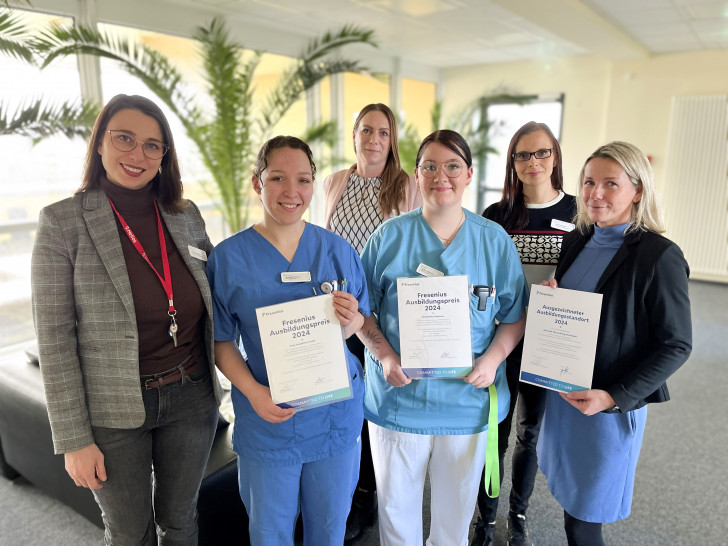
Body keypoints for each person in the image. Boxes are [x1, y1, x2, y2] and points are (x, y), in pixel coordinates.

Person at [31, 94, 221, 545]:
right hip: (113, 412)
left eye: (153, 145)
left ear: (164, 156)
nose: (138, 154)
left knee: (180, 522)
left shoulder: (184, 215)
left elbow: (222, 294)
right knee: (129, 534)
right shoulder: (63, 223)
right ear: (100, 143)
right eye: (125, 139)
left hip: (192, 398)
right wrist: (73, 439)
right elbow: (54, 340)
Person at [358, 129, 528, 545]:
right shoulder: (388, 238)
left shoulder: (493, 241)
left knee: (454, 517)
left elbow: (513, 314)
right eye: (430, 166)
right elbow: (360, 312)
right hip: (401, 398)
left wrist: (492, 360)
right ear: (416, 176)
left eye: (453, 166)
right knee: (396, 513)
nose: (441, 176)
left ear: (469, 174)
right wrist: (384, 355)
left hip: (467, 401)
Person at [207, 136, 370, 546]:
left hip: (334, 416)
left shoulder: (337, 251)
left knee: (330, 529)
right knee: (269, 532)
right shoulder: (227, 259)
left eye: (302, 179)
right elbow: (221, 340)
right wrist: (253, 393)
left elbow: (358, 324)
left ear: (314, 185)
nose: (291, 191)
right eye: (277, 178)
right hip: (267, 416)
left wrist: (351, 322)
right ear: (257, 183)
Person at [538, 141, 692, 545]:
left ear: (637, 190)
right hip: (565, 398)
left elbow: (676, 344)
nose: (595, 194)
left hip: (606, 407)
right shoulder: (577, 240)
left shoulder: (660, 256)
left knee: (587, 517)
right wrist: (552, 297)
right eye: (589, 182)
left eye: (611, 183)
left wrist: (612, 396)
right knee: (571, 503)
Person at [471, 121, 576, 546]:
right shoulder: (497, 216)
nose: (533, 162)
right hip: (501, 340)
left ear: (555, 156)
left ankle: (518, 514)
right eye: (522, 155)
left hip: (548, 343)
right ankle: (487, 517)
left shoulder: (577, 213)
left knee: (529, 433)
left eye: (542, 153)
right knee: (493, 429)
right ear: (512, 162)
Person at [322, 102, 421, 541]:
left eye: (383, 132)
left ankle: (366, 496)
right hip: (335, 312)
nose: (374, 140)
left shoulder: (407, 186)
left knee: (371, 410)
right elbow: (320, 243)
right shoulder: (332, 183)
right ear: (355, 134)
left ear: (392, 139)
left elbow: (416, 253)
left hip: (380, 316)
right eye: (367, 131)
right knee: (339, 403)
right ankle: (338, 492)